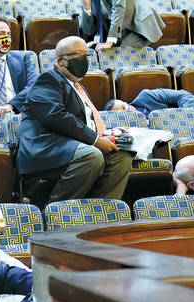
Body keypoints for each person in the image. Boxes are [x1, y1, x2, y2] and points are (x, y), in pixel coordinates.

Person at [15, 36, 132, 203]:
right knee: (91, 155)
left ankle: (100, 210)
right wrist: (95, 140)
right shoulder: (48, 79)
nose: (84, 60)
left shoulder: (78, 86)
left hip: (72, 145)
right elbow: (55, 116)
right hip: (46, 147)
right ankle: (57, 210)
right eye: (78, 55)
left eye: (86, 55)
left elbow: (84, 123)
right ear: (61, 61)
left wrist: (109, 133)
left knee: (121, 155)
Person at [80, 0, 165, 50]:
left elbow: (119, 8)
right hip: (120, 29)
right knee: (107, 52)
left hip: (138, 25)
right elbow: (89, 31)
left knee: (120, 52)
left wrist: (110, 41)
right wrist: (87, 7)